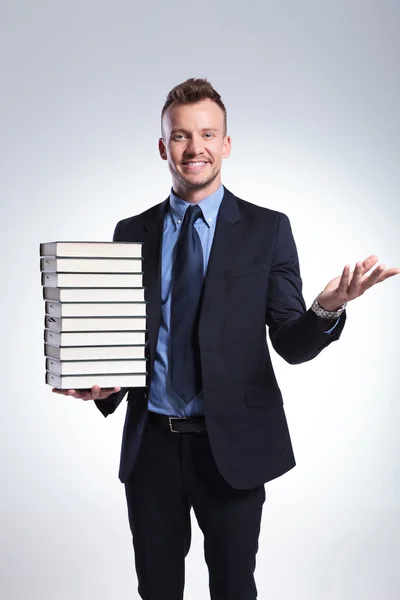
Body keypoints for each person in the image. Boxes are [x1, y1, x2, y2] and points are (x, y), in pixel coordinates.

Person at [53, 78, 400, 600]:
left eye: (208, 134)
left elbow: (291, 343)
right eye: (181, 136)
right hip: (152, 448)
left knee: (235, 589)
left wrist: (327, 308)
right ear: (163, 146)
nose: (195, 148)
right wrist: (103, 385)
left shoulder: (267, 229)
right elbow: (125, 341)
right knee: (156, 590)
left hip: (233, 448)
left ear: (227, 144)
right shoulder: (132, 232)